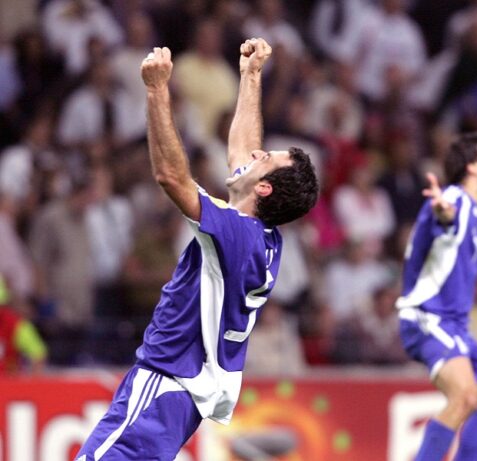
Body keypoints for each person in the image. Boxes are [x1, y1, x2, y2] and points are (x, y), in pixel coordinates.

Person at [76, 37, 318, 460]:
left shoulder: (235, 233)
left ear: (263, 188)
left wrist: (156, 90)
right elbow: (242, 151)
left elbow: (171, 177)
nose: (256, 153)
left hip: (163, 383)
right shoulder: (262, 238)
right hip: (183, 395)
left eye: (265, 158)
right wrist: (251, 77)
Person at [397, 132, 477, 461]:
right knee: (464, 397)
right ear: (473, 167)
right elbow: (446, 218)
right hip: (428, 318)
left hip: (454, 326)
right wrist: (444, 213)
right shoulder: (454, 200)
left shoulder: (471, 208)